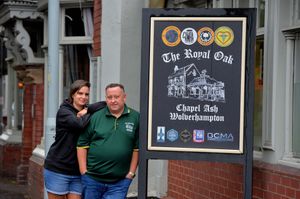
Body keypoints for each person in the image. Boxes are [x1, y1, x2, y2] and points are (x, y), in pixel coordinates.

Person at [44, 79, 106, 199]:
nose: (83, 97)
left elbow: (104, 104)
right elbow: (79, 125)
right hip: (58, 168)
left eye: (86, 94)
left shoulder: (87, 111)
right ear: (73, 94)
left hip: (78, 171)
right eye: (80, 93)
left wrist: (87, 110)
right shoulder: (64, 112)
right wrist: (89, 112)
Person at [77, 83, 139, 199]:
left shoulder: (135, 117)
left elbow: (137, 148)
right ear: (106, 99)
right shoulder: (95, 117)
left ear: (124, 97)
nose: (113, 100)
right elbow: (82, 145)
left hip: (119, 182)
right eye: (109, 97)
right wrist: (83, 172)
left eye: (116, 97)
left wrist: (130, 173)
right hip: (92, 180)